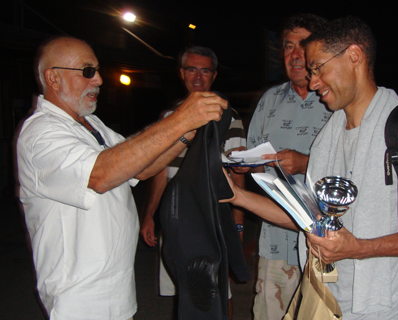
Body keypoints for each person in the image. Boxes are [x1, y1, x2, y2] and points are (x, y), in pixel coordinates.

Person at [223, 16, 398, 319]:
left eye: (318, 67)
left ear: (354, 57)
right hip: (324, 299)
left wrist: (357, 248)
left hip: (381, 307)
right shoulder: (328, 136)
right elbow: (307, 219)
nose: (313, 80)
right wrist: (235, 196)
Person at [16, 36, 226, 320]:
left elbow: (140, 166)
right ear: (53, 78)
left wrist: (186, 133)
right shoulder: (40, 133)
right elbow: (100, 174)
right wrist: (181, 119)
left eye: (98, 70)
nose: (99, 80)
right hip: (78, 299)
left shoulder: (91, 124)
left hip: (115, 290)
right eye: (88, 71)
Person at [139, 46, 245, 318]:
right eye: (191, 69)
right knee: (184, 290)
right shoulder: (168, 118)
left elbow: (238, 176)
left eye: (205, 70)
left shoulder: (228, 117)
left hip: (210, 218)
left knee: (217, 291)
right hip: (174, 218)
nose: (198, 76)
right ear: (181, 73)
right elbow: (160, 170)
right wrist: (150, 214)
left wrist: (238, 221)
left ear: (214, 75)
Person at [245, 13, 332, 320]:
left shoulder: (336, 100)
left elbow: (354, 170)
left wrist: (305, 162)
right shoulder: (269, 100)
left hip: (324, 247)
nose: (295, 55)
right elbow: (254, 158)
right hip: (274, 243)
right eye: (287, 46)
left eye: (303, 46)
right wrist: (247, 165)